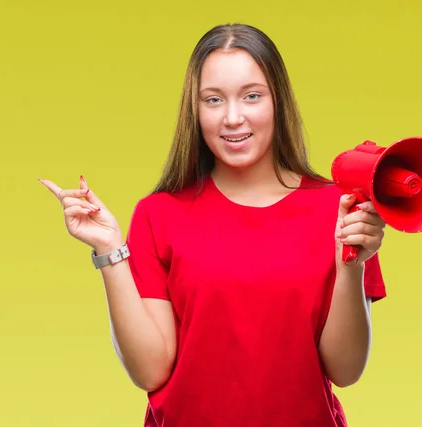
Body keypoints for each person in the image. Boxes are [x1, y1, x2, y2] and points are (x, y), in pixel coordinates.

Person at [39, 23, 387, 427]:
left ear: (279, 102)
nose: (233, 118)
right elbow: (150, 371)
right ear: (196, 109)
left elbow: (346, 371)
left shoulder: (340, 210)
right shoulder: (159, 214)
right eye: (213, 100)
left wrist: (351, 266)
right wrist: (109, 251)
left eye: (252, 96)